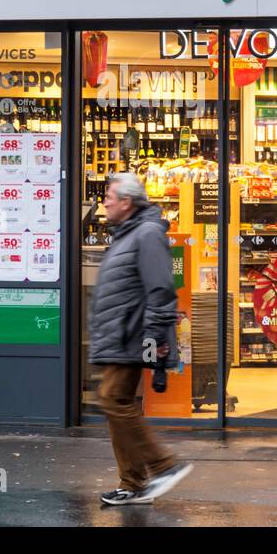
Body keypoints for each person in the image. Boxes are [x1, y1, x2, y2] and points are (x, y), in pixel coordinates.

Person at [89, 173, 194, 506]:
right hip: (119, 334)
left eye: (109, 195)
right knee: (115, 402)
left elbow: (161, 289)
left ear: (127, 202)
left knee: (112, 400)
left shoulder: (146, 234)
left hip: (131, 334)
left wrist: (153, 338)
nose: (104, 201)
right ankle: (132, 483)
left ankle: (164, 466)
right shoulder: (127, 234)